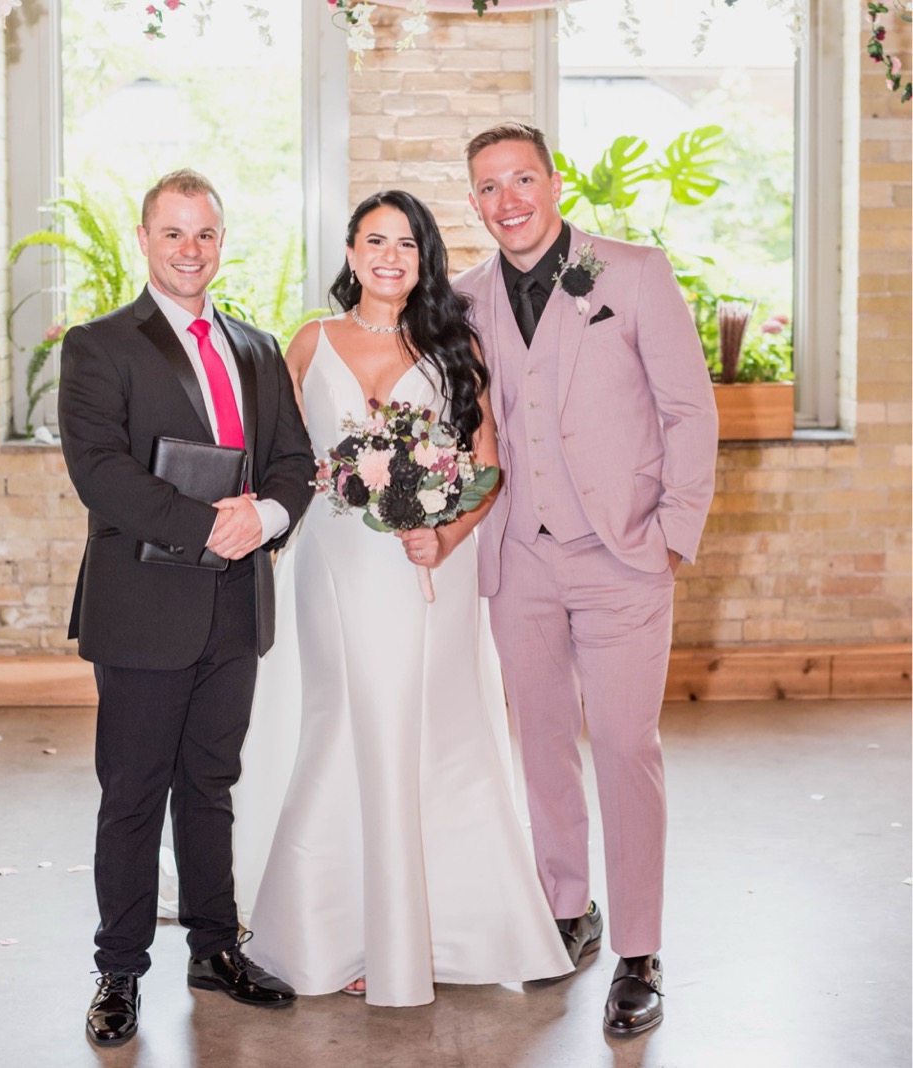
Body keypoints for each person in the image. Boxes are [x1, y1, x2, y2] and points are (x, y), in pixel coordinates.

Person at [242, 190, 573, 1008]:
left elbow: (487, 464)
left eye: (408, 245)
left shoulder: (451, 344)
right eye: (374, 240)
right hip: (329, 567)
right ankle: (334, 930)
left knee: (426, 736)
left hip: (425, 568)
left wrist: (445, 536)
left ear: (424, 261)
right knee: (341, 728)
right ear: (351, 253)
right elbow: (278, 458)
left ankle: (433, 934)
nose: (390, 256)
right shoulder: (309, 342)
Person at [454, 123, 718, 1036]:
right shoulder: (464, 298)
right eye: (488, 187)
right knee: (540, 746)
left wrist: (672, 534)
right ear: (475, 200)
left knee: (621, 743)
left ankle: (639, 949)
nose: (508, 200)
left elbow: (689, 408)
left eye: (522, 178)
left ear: (554, 182)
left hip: (623, 555)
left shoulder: (633, 273)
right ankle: (566, 910)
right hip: (516, 557)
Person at [57, 168, 315, 1047]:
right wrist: (214, 525)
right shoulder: (100, 345)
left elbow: (292, 459)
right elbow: (100, 472)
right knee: (132, 795)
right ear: (144, 238)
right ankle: (119, 972)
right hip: (143, 608)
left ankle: (215, 947)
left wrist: (266, 517)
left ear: (221, 241)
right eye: (174, 233)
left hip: (234, 609)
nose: (190, 250)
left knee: (211, 787)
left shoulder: (254, 344)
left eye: (204, 234)